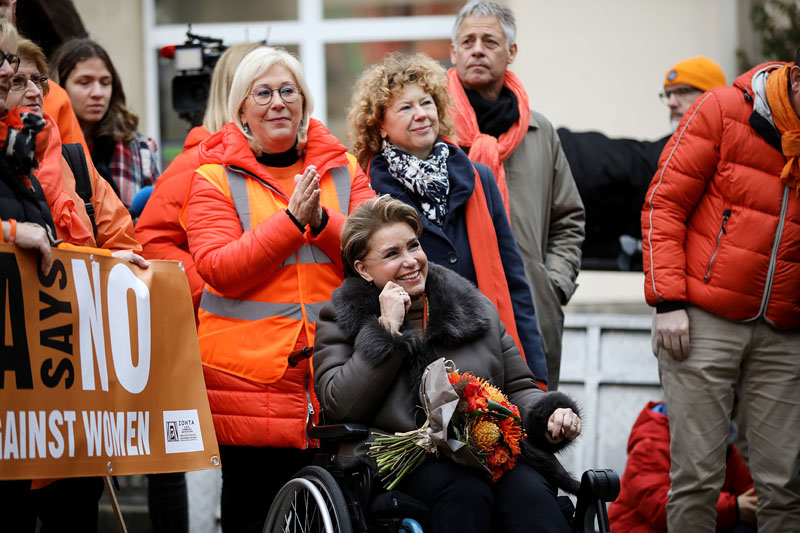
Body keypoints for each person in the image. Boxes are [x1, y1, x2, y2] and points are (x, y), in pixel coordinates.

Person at [183, 46, 374, 532]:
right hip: (250, 386)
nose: (277, 103)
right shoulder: (211, 178)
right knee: (254, 517)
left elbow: (379, 251)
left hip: (337, 378)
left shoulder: (345, 169)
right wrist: (291, 223)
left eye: (288, 91)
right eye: (263, 93)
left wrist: (321, 221)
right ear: (241, 111)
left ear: (305, 101)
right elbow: (218, 268)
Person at [314, 195, 582, 533]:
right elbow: (341, 405)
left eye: (414, 246)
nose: (410, 261)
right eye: (392, 254)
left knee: (530, 494)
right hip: (401, 461)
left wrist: (550, 416)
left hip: (487, 453)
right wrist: (386, 332)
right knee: (464, 491)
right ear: (363, 269)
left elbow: (519, 388)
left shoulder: (474, 306)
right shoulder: (339, 318)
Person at [640, 47, 800, 530]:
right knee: (696, 480)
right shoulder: (724, 108)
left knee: (785, 487)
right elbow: (663, 205)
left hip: (785, 328)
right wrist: (668, 300)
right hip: (701, 318)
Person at [348, 52, 547, 385]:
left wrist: (534, 373)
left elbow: (513, 281)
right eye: (405, 107)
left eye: (426, 103)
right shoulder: (365, 189)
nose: (421, 114)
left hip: (482, 347)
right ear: (379, 124)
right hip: (411, 361)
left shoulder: (478, 178)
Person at [448, 0, 584, 390]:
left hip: (532, 313)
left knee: (536, 433)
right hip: (457, 313)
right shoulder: (431, 129)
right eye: (467, 41)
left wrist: (552, 283)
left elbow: (569, 218)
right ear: (454, 52)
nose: (477, 49)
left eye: (489, 41)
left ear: (511, 52)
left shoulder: (539, 132)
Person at [558, 57, 727, 269]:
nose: (671, 102)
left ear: (713, 96)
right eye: (668, 94)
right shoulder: (662, 153)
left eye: (683, 91)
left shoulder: (740, 154)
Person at [136, 42, 263, 314]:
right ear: (235, 95)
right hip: (226, 332)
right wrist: (210, 291)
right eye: (263, 91)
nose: (276, 102)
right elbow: (150, 240)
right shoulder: (196, 163)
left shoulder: (290, 158)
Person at [6, 37, 142, 257]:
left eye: (37, 80)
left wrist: (108, 262)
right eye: (18, 81)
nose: (34, 92)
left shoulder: (75, 162)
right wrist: (104, 260)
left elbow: (125, 247)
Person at [608, 401, 757, 533]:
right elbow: (660, 508)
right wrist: (733, 508)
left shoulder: (723, 444)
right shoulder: (651, 444)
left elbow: (749, 492)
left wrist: (744, 507)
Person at [49, 38, 160, 209]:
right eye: (84, 83)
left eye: (105, 83)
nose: (98, 93)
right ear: (60, 87)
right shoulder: (46, 148)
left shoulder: (140, 150)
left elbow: (159, 219)